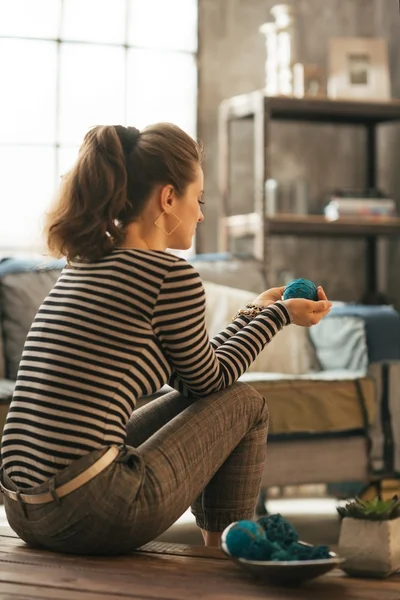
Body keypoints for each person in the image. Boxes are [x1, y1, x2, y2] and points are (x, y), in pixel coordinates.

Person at [0, 123, 332, 555]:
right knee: (247, 403)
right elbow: (215, 384)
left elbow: (197, 378)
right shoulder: (167, 275)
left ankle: (222, 548)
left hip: (24, 509)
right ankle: (221, 554)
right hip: (90, 510)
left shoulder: (82, 264)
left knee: (222, 398)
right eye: (199, 199)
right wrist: (280, 316)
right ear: (168, 198)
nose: (201, 214)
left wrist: (258, 311)